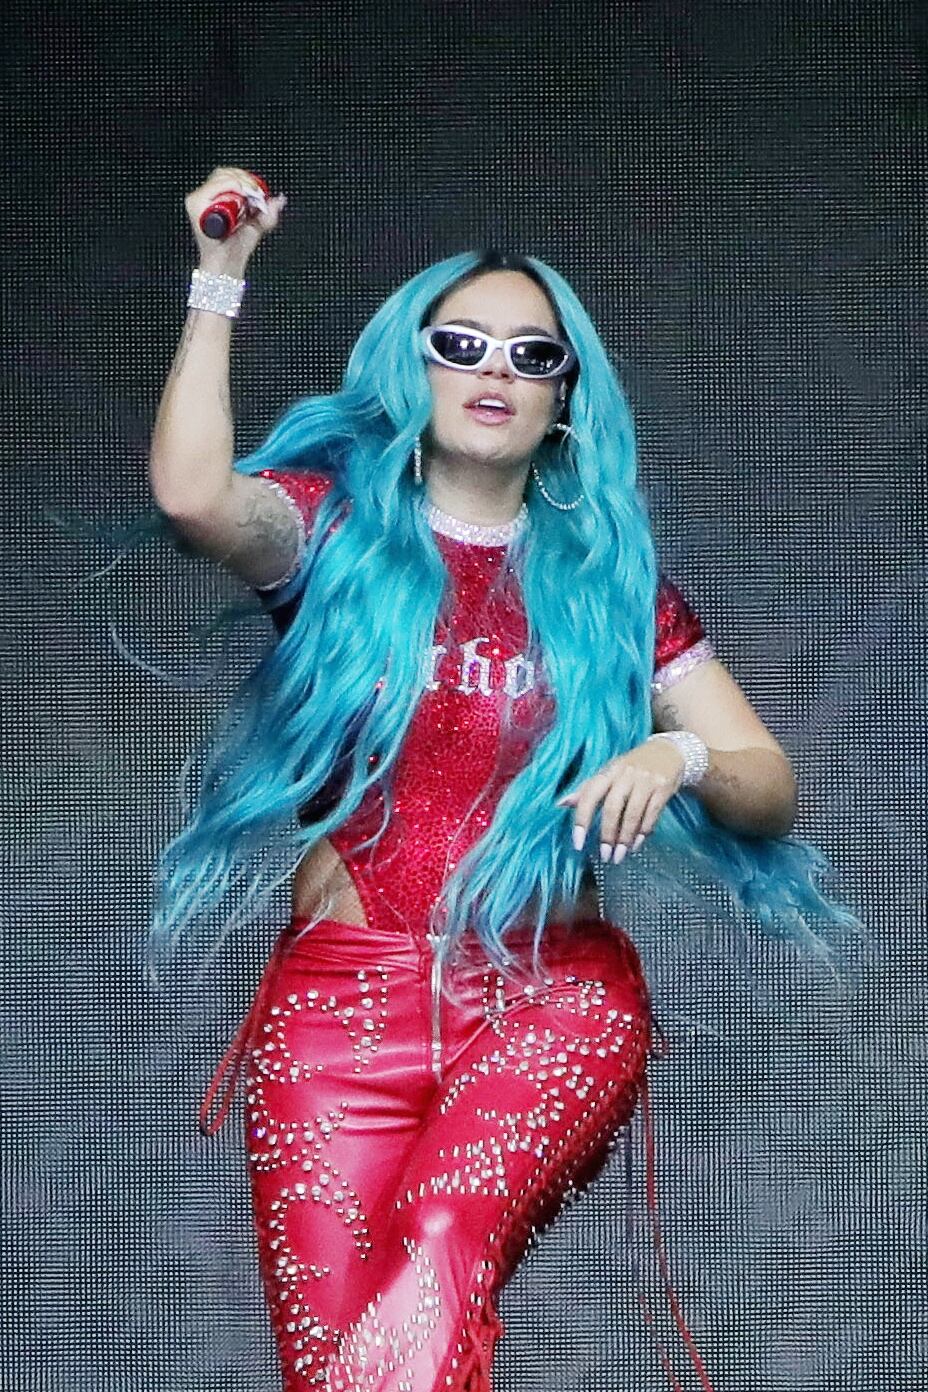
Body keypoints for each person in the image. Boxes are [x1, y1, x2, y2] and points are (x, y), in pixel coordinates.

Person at [147, 166, 857, 1392]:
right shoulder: (329, 537)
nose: (495, 370)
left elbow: (764, 783)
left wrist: (674, 750)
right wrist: (220, 277)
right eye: (461, 343)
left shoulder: (612, 592)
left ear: (563, 398)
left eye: (533, 356)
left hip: (549, 996)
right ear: (413, 368)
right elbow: (193, 497)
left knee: (440, 1245)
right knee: (339, 1368)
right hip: (336, 1011)